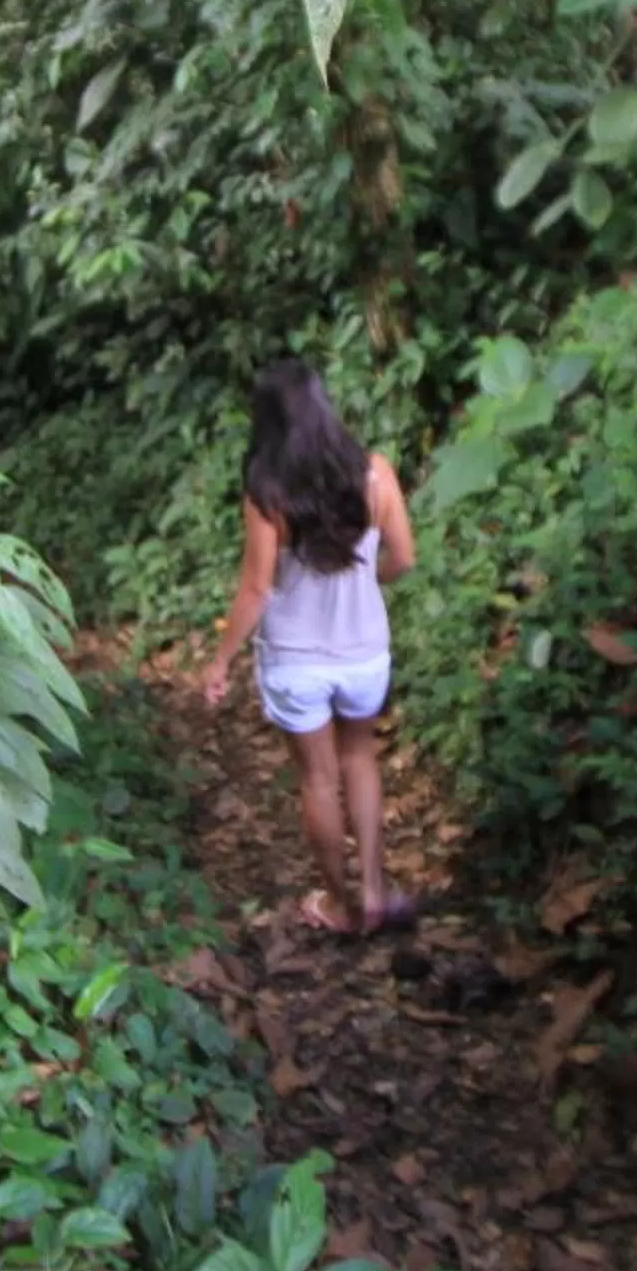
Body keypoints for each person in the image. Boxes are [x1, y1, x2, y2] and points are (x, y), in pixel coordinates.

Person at [199, 358, 419, 936]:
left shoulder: (268, 494)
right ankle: (374, 892)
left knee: (319, 779)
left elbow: (255, 589)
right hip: (364, 651)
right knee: (360, 759)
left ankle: (342, 905)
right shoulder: (376, 475)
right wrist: (367, 584)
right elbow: (403, 559)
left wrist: (220, 662)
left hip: (297, 661)